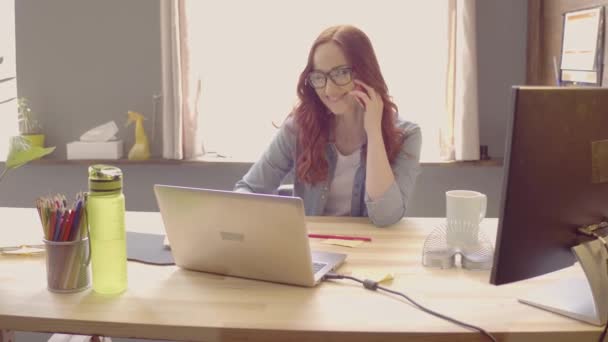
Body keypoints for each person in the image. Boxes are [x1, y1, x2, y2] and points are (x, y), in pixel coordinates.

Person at [234, 25, 421, 227]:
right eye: (319, 77)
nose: (329, 90)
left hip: (371, 249)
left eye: (341, 73)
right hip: (313, 250)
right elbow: (247, 189)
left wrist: (374, 132)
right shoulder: (298, 127)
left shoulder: (407, 134)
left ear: (366, 72)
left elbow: (386, 216)